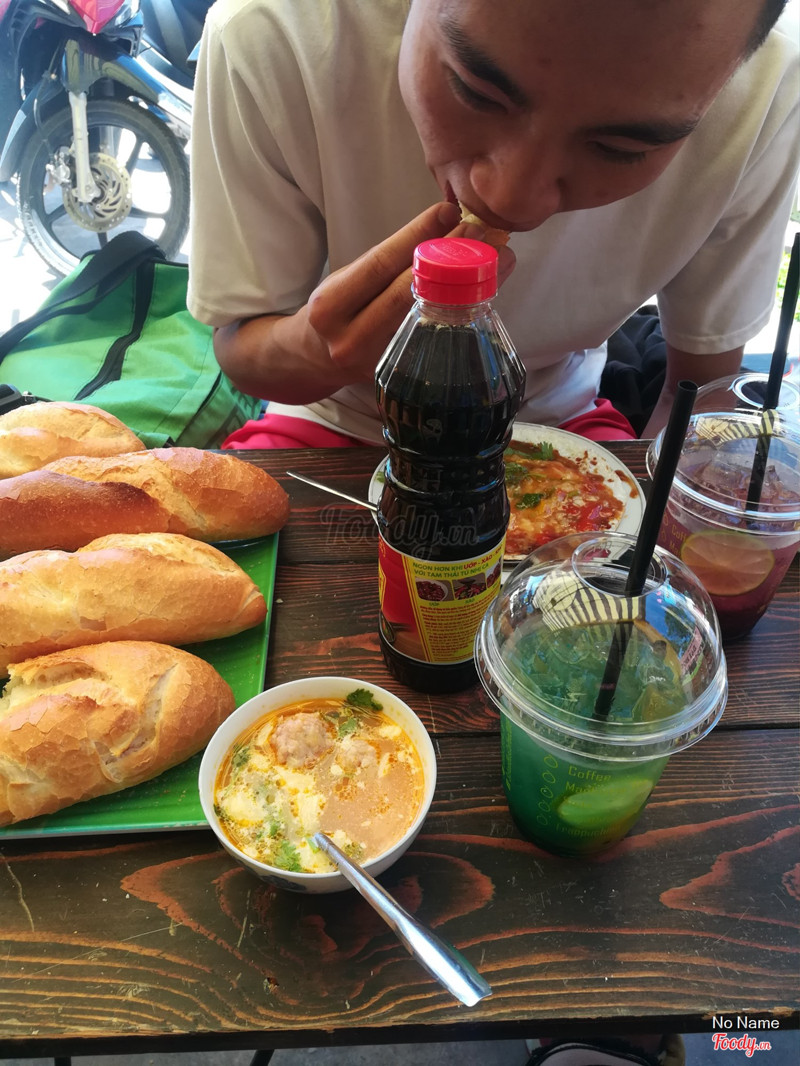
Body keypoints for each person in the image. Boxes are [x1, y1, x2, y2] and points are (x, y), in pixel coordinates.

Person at [187, 0, 800, 450]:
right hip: (337, 417)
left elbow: (702, 396)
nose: (514, 202)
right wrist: (321, 353)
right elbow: (242, 346)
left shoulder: (769, 89)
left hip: (558, 423)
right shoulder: (275, 33)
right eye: (475, 92)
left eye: (620, 149)